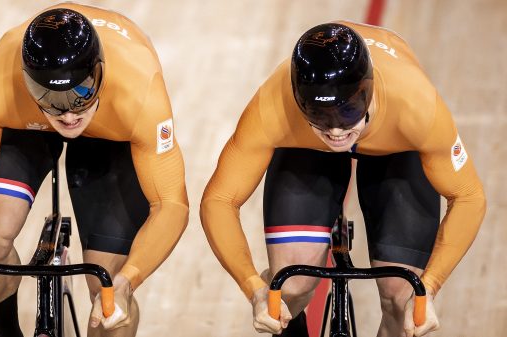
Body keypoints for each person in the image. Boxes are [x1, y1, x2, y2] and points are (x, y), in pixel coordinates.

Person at [200, 22, 486, 337]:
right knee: (289, 288)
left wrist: (428, 289)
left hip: (397, 150)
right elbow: (219, 201)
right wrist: (254, 288)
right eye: (319, 115)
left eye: (349, 111)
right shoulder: (273, 104)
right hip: (306, 148)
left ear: (369, 90)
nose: (336, 131)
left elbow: (469, 197)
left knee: (402, 302)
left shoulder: (417, 106)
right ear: (297, 99)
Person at [0, 4, 189, 337]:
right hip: (28, 124)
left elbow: (171, 204)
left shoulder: (140, 91)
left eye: (82, 92)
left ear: (99, 72)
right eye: (49, 95)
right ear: (26, 81)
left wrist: (128, 282)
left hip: (113, 133)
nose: (68, 115)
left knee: (109, 292)